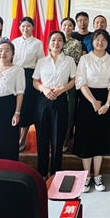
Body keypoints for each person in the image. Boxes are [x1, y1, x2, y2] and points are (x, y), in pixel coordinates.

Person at [73, 29, 110, 192]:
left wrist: (107, 104)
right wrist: (93, 101)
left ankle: (97, 175)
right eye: (97, 39)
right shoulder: (85, 59)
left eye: (103, 40)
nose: (100, 42)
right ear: (92, 42)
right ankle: (86, 176)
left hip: (106, 100)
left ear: (108, 43)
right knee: (86, 138)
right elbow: (80, 81)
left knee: (101, 138)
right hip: (87, 100)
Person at [33, 31, 76, 179]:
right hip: (43, 100)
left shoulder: (69, 61)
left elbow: (74, 80)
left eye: (59, 40)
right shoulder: (42, 61)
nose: (56, 43)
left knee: (58, 139)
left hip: (61, 99)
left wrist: (62, 89)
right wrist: (44, 89)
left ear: (63, 43)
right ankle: (42, 173)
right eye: (53, 40)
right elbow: (35, 81)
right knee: (42, 138)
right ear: (48, 43)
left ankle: (55, 174)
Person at [12, 17, 45, 152]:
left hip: (30, 75)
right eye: (23, 26)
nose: (25, 28)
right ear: (20, 28)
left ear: (33, 28)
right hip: (15, 74)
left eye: (28, 26)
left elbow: (41, 62)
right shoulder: (14, 42)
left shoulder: (37, 43)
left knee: (27, 106)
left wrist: (36, 79)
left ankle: (23, 137)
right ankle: (14, 136)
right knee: (14, 104)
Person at [60, 17, 83, 152]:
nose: (67, 28)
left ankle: (65, 139)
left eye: (69, 25)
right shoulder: (55, 39)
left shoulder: (76, 43)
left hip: (70, 79)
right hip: (55, 80)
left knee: (69, 109)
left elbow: (77, 62)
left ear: (73, 28)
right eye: (64, 25)